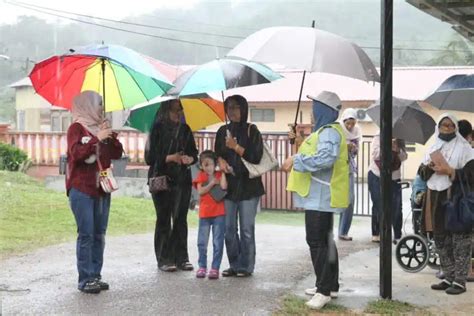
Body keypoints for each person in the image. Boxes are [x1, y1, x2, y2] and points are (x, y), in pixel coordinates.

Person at [283, 91, 350, 310]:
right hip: (320, 196)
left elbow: (325, 159)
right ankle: (330, 285)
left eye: (316, 107)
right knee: (327, 241)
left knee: (316, 241)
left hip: (320, 197)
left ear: (325, 110)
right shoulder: (325, 131)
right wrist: (298, 141)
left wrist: (296, 160)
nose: (313, 112)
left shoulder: (329, 132)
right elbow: (317, 151)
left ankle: (323, 291)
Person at [66, 91, 123, 294]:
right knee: (87, 233)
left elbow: (116, 153)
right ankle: (85, 278)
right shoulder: (76, 128)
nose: (101, 108)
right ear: (87, 105)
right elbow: (75, 154)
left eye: (102, 104)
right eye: (99, 104)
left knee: (100, 233)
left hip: (102, 188)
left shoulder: (101, 127)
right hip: (81, 188)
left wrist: (110, 136)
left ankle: (96, 275)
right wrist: (94, 139)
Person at [418, 113, 474, 295]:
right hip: (436, 196)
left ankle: (460, 280)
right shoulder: (433, 146)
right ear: (439, 127)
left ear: (456, 128)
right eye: (444, 125)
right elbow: (421, 172)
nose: (448, 128)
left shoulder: (465, 149)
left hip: (456, 197)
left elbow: (471, 175)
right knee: (441, 238)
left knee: (460, 239)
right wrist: (429, 167)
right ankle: (448, 275)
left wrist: (450, 171)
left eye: (451, 126)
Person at [214, 94, 264, 278]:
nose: (232, 111)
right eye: (229, 108)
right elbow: (217, 154)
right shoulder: (222, 131)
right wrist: (221, 161)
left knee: (246, 229)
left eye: (236, 107)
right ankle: (234, 264)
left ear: (244, 109)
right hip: (230, 186)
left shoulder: (252, 130)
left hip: (249, 186)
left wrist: (235, 146)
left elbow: (255, 156)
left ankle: (246, 266)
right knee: (228, 228)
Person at [145, 99, 198, 272]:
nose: (178, 114)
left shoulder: (185, 130)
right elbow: (150, 158)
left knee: (180, 218)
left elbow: (194, 153)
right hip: (162, 179)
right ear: (166, 111)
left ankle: (181, 257)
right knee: (164, 218)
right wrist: (170, 158)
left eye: (180, 110)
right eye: (174, 110)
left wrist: (189, 159)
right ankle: (164, 258)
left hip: (182, 179)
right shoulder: (157, 129)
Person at [193, 150, 228, 279]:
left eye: (211, 164)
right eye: (205, 165)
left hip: (219, 213)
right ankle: (202, 266)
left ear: (215, 164)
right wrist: (212, 183)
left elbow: (224, 187)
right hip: (205, 214)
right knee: (202, 242)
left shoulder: (219, 174)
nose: (208, 167)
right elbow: (201, 191)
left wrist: (223, 171)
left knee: (217, 241)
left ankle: (215, 268)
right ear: (201, 166)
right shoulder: (201, 176)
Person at [368, 136, 407, 243]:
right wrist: (387, 146)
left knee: (397, 207)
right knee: (378, 204)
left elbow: (404, 157)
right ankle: (376, 233)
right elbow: (375, 155)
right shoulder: (378, 136)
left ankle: (397, 234)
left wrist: (397, 149)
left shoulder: (400, 138)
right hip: (377, 174)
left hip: (394, 177)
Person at [337, 108, 361, 241]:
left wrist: (353, 149)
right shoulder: (338, 130)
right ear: (344, 121)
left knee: (350, 200)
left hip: (349, 169)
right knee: (336, 200)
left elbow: (355, 153)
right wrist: (343, 147)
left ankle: (343, 231)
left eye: (353, 123)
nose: (350, 126)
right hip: (337, 170)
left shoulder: (357, 132)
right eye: (348, 123)